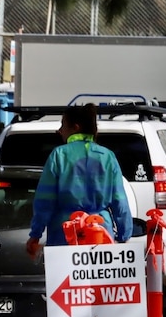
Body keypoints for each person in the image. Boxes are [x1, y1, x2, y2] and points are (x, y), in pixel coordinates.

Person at [25, 104, 132, 256]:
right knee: (98, 279)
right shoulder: (107, 156)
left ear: (75, 127)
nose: (59, 130)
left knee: (65, 279)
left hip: (64, 235)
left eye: (63, 125)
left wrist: (35, 234)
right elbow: (120, 202)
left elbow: (45, 200)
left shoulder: (59, 155)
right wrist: (124, 236)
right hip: (100, 234)